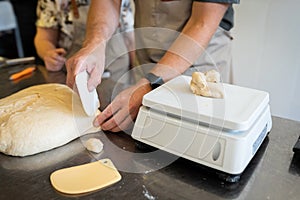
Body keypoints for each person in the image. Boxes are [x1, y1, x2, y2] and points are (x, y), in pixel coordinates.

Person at [66, 0, 240, 132]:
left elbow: (202, 22)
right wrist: (94, 44)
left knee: (194, 143)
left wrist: (149, 83)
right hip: (147, 56)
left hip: (198, 62)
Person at [34, 0, 134, 82]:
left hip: (117, 75)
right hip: (73, 76)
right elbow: (43, 38)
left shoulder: (119, 2)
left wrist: (137, 74)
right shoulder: (52, 2)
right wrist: (48, 53)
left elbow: (130, 39)